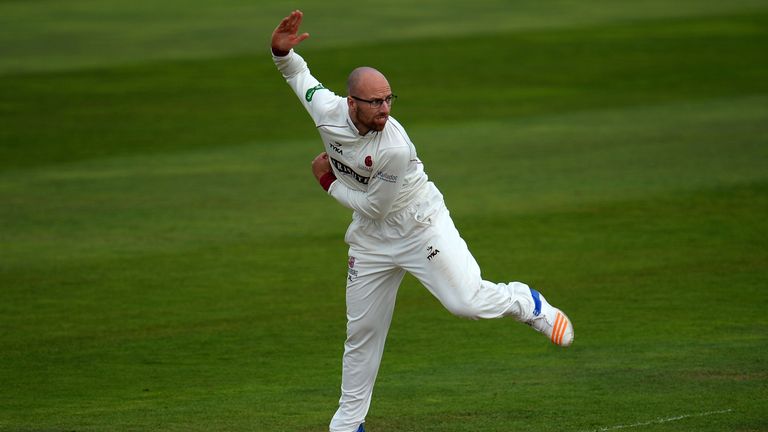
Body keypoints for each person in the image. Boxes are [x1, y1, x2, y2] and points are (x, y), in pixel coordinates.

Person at [270, 10, 574, 432]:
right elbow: (299, 77)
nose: (385, 109)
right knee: (362, 333)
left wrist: (327, 182)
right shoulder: (327, 109)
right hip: (371, 241)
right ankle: (347, 424)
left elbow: (375, 206)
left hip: (418, 226)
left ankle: (525, 301)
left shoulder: (394, 144)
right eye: (375, 102)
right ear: (351, 103)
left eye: (389, 99)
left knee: (465, 303)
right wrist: (280, 52)